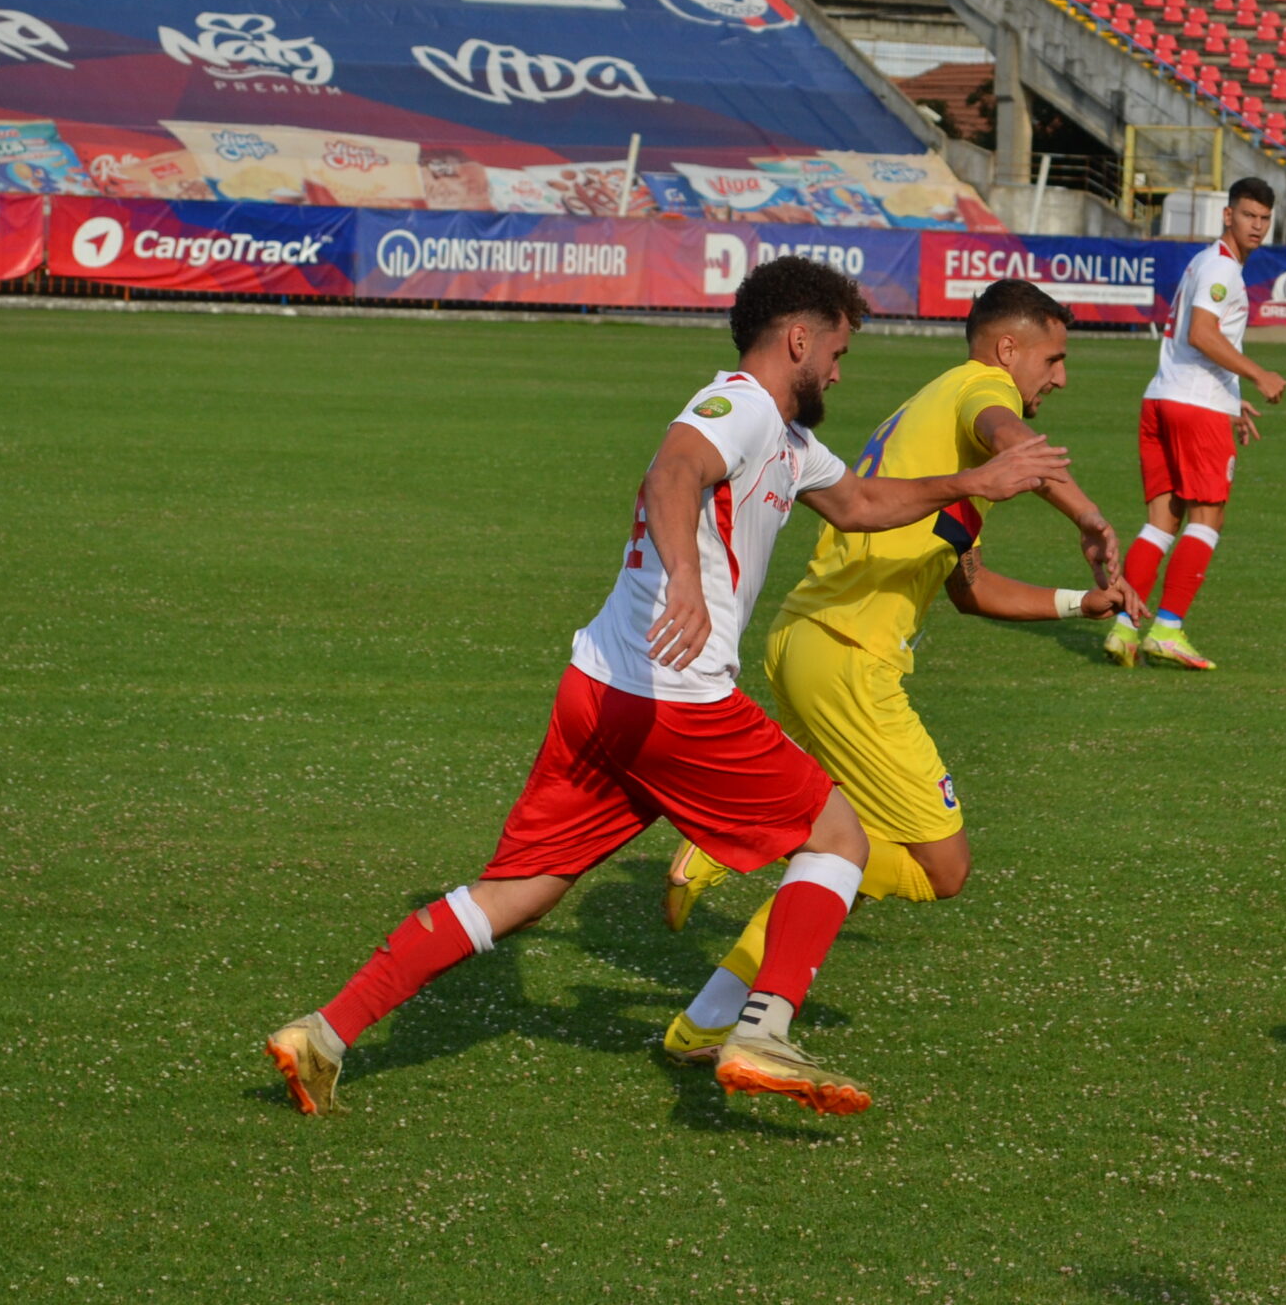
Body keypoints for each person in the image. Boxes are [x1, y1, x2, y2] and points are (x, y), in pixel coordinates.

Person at [264, 258, 1066, 1116]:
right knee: (838, 834)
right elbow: (673, 471)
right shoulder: (741, 404)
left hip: (599, 692)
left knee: (518, 893)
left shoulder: (789, 439)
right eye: (836, 348)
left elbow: (865, 501)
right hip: (674, 696)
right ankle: (760, 1031)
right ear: (799, 338)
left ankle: (322, 1032)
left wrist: (970, 483)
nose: (840, 369)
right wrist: (685, 573)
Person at [655, 278, 1144, 1064]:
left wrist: (1075, 604)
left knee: (851, 845)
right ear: (1007, 349)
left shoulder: (931, 424)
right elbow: (1012, 437)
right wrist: (1088, 515)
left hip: (808, 642)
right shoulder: (980, 391)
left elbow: (970, 586)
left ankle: (712, 1016)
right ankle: (739, 840)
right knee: (941, 867)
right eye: (1052, 359)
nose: (1060, 377)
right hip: (850, 658)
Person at [1106, 177, 1286, 671]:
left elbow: (1195, 345)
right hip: (1193, 408)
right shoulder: (1221, 269)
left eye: (1264, 218)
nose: (1257, 225)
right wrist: (1258, 375)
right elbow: (1202, 333)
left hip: (1162, 398)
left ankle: (1124, 628)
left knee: (1162, 521)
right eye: (1249, 215)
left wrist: (1234, 400)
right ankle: (1166, 628)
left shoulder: (1203, 262)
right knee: (1208, 518)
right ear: (1228, 215)